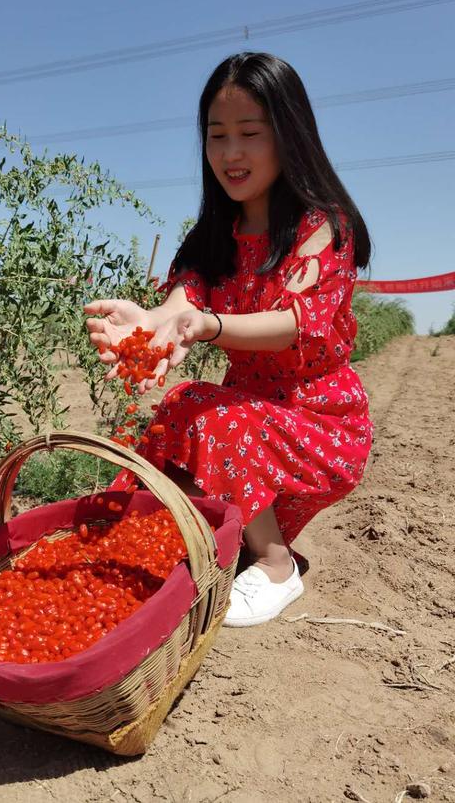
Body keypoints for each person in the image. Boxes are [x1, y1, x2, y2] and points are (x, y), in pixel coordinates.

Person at [84, 52, 373, 627]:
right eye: (217, 136)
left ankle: (274, 564)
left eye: (250, 134)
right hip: (247, 413)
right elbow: (183, 302)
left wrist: (212, 326)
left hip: (319, 418)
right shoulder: (214, 235)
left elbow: (297, 322)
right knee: (179, 416)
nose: (230, 153)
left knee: (212, 416)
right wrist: (154, 326)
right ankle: (206, 543)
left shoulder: (322, 225)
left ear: (290, 135)